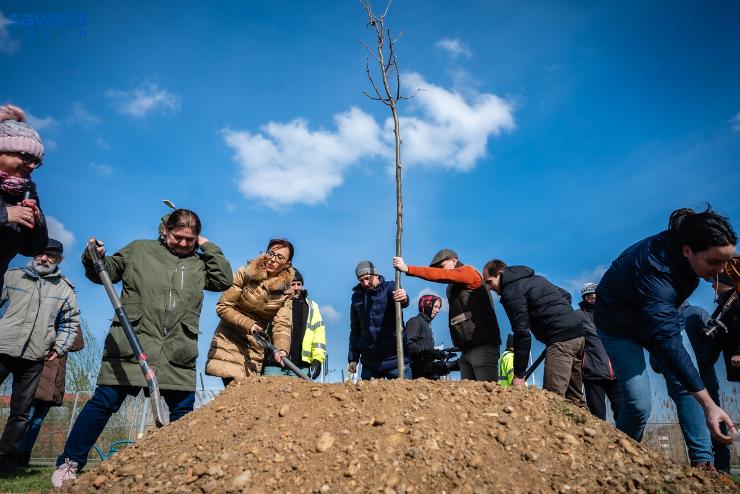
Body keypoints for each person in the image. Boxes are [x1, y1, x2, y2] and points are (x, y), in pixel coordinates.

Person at [52, 209, 232, 487]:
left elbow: (223, 279)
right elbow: (106, 272)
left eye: (190, 239)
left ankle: (179, 467)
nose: (184, 244)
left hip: (177, 348)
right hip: (132, 341)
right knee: (104, 402)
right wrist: (94, 257)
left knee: (182, 411)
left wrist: (208, 246)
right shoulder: (140, 250)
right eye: (178, 237)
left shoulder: (199, 263)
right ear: (164, 231)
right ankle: (69, 463)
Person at [593, 206, 737, 462]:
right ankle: (618, 460)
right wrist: (710, 405)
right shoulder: (655, 267)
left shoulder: (691, 260)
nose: (720, 270)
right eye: (715, 262)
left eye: (726, 261)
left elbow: (665, 326)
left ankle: (703, 463)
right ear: (687, 251)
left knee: (686, 384)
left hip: (657, 319)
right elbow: (666, 337)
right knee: (638, 404)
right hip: (619, 325)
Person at [0, 239, 79, 473]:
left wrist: (60, 347)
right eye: (41, 254)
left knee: (21, 413)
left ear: (59, 260)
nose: (44, 258)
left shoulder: (64, 288)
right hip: (2, 348)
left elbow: (70, 321)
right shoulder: (11, 276)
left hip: (35, 356)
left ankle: (4, 461)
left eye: (51, 256)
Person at [482, 260, 586, 404]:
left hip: (560, 340)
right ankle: (582, 423)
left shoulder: (511, 291)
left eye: (489, 282)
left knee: (553, 399)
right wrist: (559, 316)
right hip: (578, 335)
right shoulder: (536, 279)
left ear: (500, 273)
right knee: (574, 398)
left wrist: (519, 374)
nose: (488, 288)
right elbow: (566, 295)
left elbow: (522, 333)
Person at [393, 250, 501, 381]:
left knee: (487, 391)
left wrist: (407, 268)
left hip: (482, 345)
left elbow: (440, 276)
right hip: (467, 348)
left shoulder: (468, 272)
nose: (440, 271)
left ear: (453, 261)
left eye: (441, 267)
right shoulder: (452, 287)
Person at [206, 239, 295, 386]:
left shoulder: (286, 292)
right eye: (271, 253)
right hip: (230, 340)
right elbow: (223, 306)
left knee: (245, 394)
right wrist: (250, 325)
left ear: (287, 264)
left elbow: (282, 324)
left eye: (280, 257)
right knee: (234, 386)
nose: (273, 259)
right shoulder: (245, 273)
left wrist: (281, 349)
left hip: (254, 347)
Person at [18, 322, 84, 468]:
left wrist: (75, 322)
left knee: (36, 422)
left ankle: (23, 457)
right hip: (36, 380)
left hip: (53, 386)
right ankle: (13, 455)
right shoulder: (45, 321)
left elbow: (78, 344)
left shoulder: (67, 328)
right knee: (25, 418)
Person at [0, 104, 48, 294]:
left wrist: (36, 223)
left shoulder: (25, 191)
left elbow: (32, 249)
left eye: (37, 162)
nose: (31, 166)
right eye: (26, 157)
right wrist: (5, 214)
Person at [348, 261, 410, 380]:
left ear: (376, 275)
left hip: (395, 360)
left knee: (404, 397)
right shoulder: (357, 298)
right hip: (370, 363)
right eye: (361, 280)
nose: (365, 283)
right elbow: (355, 330)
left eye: (367, 278)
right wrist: (353, 359)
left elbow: (403, 301)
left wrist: (404, 297)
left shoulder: (390, 287)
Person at [262, 269, 326, 379]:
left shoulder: (311, 307)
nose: (296, 288)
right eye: (293, 284)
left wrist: (317, 360)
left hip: (300, 367)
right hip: (274, 365)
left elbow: (319, 337)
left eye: (299, 284)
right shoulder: (275, 303)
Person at [576, 282, 620, 421]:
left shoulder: (611, 314)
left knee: (622, 411)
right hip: (593, 373)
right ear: (584, 298)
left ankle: (623, 442)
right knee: (597, 416)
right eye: (590, 296)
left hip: (616, 373)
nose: (593, 299)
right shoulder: (578, 316)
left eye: (596, 295)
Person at [406, 294, 447, 379]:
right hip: (416, 373)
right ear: (426, 304)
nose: (437, 310)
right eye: (435, 306)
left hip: (426, 371)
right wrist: (430, 350)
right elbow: (409, 345)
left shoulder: (427, 325)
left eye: (439, 308)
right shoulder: (415, 321)